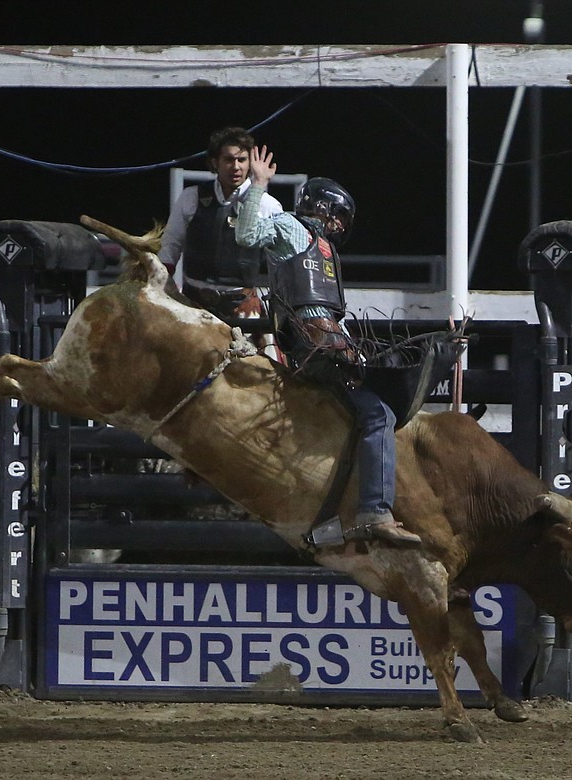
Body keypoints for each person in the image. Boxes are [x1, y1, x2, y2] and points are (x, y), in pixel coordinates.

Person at [233, 144, 422, 547]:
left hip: (326, 338)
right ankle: (375, 509)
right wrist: (258, 185)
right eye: (338, 216)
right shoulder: (290, 228)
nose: (340, 225)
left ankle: (342, 510)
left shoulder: (322, 248)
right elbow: (247, 233)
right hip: (313, 343)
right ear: (324, 209)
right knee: (379, 415)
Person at [158, 126, 285, 317]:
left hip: (244, 308)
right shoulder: (191, 197)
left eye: (242, 160)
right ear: (214, 162)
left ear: (250, 163)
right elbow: (170, 248)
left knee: (271, 348)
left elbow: (282, 264)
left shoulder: (268, 206)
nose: (236, 167)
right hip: (194, 306)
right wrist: (160, 289)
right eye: (228, 160)